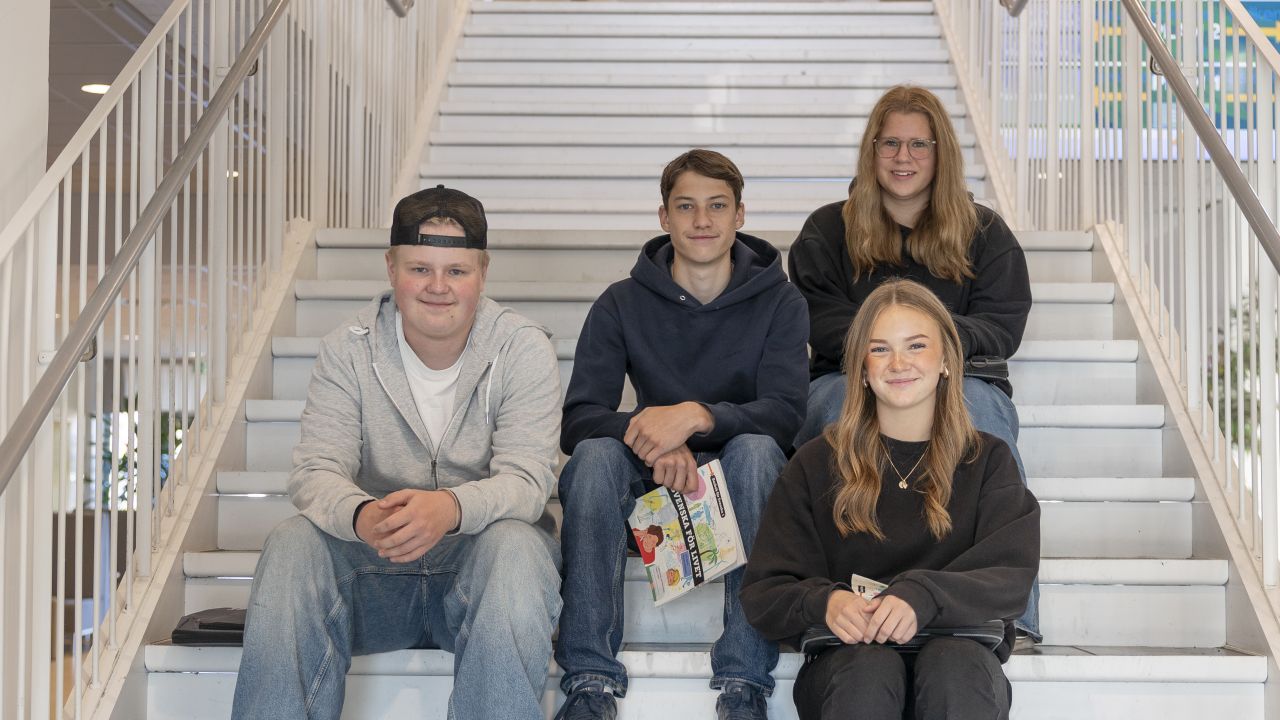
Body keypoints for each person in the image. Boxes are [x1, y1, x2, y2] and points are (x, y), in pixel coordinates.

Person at [230, 185, 563, 720]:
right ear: (391, 268)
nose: (438, 287)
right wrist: (362, 516)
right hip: (375, 567)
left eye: (456, 271)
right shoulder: (348, 348)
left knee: (517, 547)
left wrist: (449, 509)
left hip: (481, 578)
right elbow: (316, 470)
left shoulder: (522, 347)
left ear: (482, 272)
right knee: (292, 543)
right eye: (420, 269)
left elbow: (527, 483)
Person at [553, 149, 810, 720]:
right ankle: (590, 679)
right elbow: (579, 419)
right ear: (664, 216)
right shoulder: (620, 302)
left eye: (717, 206)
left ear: (739, 214)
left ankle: (744, 681)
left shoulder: (781, 301)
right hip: (655, 487)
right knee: (594, 459)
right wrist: (655, 437)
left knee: (758, 451)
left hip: (743, 485)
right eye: (686, 206)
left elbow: (786, 413)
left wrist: (697, 416)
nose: (702, 220)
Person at [787, 84, 1038, 639]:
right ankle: (836, 600)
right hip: (849, 376)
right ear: (872, 150)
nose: (904, 157)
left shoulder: (985, 232)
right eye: (891, 143)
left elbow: (1002, 325)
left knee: (983, 417)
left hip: (959, 379)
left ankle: (1009, 612)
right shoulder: (827, 230)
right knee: (830, 409)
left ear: (940, 152)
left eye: (919, 144)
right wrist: (887, 349)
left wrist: (927, 345)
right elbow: (816, 317)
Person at [740, 279, 1040, 720]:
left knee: (953, 666)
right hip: (848, 664)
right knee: (868, 669)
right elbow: (765, 591)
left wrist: (923, 596)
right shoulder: (816, 462)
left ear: (946, 359)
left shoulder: (988, 460)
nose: (898, 363)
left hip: (961, 657)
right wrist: (826, 602)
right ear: (861, 369)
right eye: (880, 349)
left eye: (916, 345)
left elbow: (1011, 576)